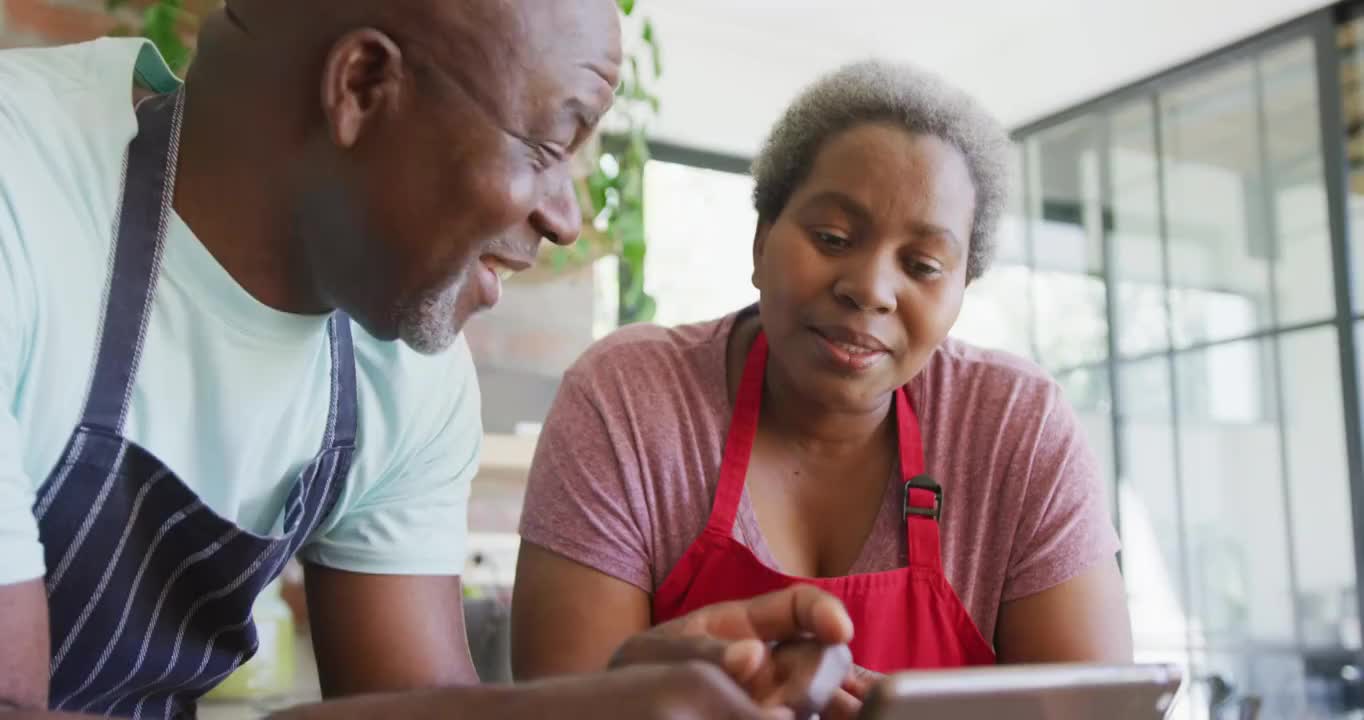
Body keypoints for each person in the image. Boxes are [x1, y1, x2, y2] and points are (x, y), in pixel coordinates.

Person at [0, 0, 858, 717]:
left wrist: (599, 710)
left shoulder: (401, 371)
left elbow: (410, 702)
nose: (567, 219)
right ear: (363, 85)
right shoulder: (22, 200)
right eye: (548, 146)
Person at [512, 59, 1135, 687]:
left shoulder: (1017, 431)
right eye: (833, 238)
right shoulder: (630, 402)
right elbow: (565, 701)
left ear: (961, 291)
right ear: (762, 242)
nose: (870, 290)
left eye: (922, 266)